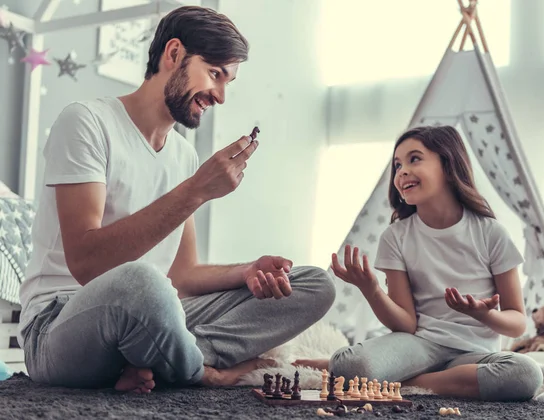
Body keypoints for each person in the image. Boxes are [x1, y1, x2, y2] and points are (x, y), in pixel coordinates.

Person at [18, 6, 335, 394]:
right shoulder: (86, 122)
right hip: (59, 324)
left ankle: (155, 357)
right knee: (141, 281)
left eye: (228, 82)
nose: (219, 95)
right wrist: (196, 190)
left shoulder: (183, 155)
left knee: (314, 284)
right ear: (173, 54)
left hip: (153, 313)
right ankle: (203, 371)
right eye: (215, 74)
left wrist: (247, 271)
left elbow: (182, 276)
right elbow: (87, 264)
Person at [295, 126, 543, 401]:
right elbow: (406, 324)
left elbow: (517, 323)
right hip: (418, 346)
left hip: (474, 354)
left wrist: (483, 314)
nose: (401, 171)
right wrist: (371, 289)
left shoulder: (490, 232)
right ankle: (407, 378)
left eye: (414, 159)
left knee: (526, 375)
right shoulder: (395, 236)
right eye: (397, 164)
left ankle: (407, 382)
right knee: (349, 366)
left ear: (448, 166)